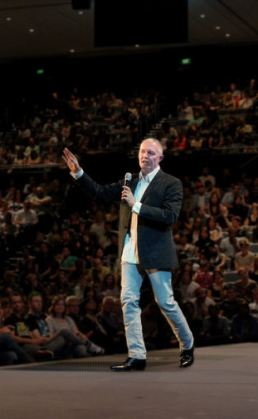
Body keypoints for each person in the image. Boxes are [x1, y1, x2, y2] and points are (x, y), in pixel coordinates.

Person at [63, 140, 194, 371]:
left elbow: (170, 215)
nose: (145, 156)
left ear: (160, 158)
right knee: (128, 301)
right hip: (129, 250)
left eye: (151, 153)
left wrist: (136, 205)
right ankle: (136, 355)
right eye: (143, 152)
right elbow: (101, 193)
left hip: (155, 251)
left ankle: (187, 344)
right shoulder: (130, 180)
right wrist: (79, 173)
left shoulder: (171, 183)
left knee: (165, 302)